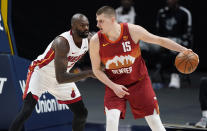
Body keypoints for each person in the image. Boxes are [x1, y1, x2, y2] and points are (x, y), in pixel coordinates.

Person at [89, 6, 197, 131]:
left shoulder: (132, 31)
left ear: (112, 20)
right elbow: (96, 70)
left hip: (139, 83)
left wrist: (184, 50)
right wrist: (113, 86)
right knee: (111, 122)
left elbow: (159, 40)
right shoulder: (95, 41)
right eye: (97, 21)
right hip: (115, 85)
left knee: (155, 123)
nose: (97, 24)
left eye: (101, 21)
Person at [9, 13, 94, 131]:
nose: (86, 28)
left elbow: (100, 52)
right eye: (82, 25)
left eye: (87, 25)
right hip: (41, 74)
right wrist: (89, 73)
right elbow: (61, 78)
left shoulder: (89, 39)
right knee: (26, 111)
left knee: (81, 113)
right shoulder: (62, 43)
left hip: (62, 74)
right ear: (73, 27)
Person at [156, 0, 193, 89]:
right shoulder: (161, 12)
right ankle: (142, 76)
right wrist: (161, 42)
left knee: (175, 48)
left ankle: (175, 76)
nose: (169, 1)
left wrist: (174, 42)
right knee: (142, 45)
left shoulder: (185, 13)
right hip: (163, 41)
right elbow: (158, 31)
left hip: (179, 42)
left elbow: (188, 33)